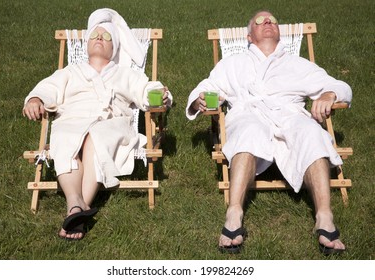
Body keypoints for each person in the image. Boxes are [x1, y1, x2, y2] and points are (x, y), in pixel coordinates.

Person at [186, 10, 351, 254]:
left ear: (279, 32)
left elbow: (339, 85)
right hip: (248, 114)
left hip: (289, 115)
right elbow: (204, 88)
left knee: (311, 133)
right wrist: (200, 100)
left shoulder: (297, 64)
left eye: (272, 20)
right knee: (249, 131)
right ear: (249, 36)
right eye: (260, 21)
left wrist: (329, 95)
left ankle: (324, 216)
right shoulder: (233, 63)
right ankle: (234, 213)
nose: (267, 23)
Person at [23, 8, 172, 241]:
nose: (100, 38)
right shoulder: (70, 72)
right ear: (86, 44)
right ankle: (76, 206)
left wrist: (159, 94)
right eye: (94, 35)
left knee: (95, 136)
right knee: (63, 138)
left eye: (107, 36)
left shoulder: (125, 74)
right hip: (72, 121)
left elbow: (147, 89)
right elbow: (48, 88)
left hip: (112, 125)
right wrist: (35, 99)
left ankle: (77, 208)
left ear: (114, 48)